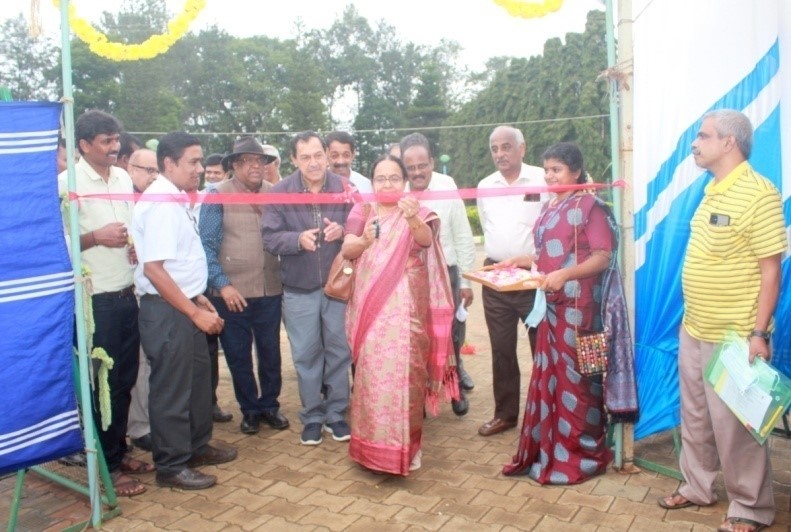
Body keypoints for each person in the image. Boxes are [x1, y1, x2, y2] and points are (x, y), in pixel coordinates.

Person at [658, 110, 786, 532]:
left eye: (703, 136)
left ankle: (750, 507)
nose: (695, 143)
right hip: (695, 327)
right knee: (694, 417)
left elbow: (772, 271)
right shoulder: (712, 189)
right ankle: (697, 486)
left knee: (736, 428)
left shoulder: (759, 193)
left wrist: (758, 334)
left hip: (734, 336)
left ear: (729, 142)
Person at [499, 142, 632, 484]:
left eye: (556, 169)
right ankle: (549, 451)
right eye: (546, 170)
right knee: (551, 380)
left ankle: (583, 455)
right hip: (551, 310)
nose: (549, 176)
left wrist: (565, 275)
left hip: (584, 314)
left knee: (582, 382)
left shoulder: (592, 206)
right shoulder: (550, 207)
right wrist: (523, 261)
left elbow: (603, 256)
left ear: (575, 171)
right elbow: (546, 255)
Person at [132, 131, 237, 490]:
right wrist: (193, 313)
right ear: (169, 163)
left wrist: (197, 297)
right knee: (172, 390)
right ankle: (172, 466)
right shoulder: (160, 202)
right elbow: (154, 269)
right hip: (168, 312)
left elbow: (177, 263)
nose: (200, 168)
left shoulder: (175, 198)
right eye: (192, 161)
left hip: (183, 304)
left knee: (194, 383)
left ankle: (195, 447)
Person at [58, 110, 151, 497]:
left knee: (124, 381)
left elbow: (129, 226)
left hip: (127, 294)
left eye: (116, 140)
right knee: (101, 386)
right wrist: (95, 236)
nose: (114, 148)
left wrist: (131, 245)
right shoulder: (67, 183)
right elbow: (57, 246)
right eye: (106, 142)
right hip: (94, 302)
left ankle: (119, 450)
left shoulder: (124, 177)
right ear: (83, 145)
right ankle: (106, 467)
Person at [343, 154, 455, 475]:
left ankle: (408, 449)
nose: (387, 183)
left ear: (405, 182)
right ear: (372, 182)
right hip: (372, 310)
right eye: (381, 178)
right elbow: (347, 249)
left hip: (408, 309)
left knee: (407, 376)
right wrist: (364, 240)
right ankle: (371, 450)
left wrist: (412, 219)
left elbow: (426, 241)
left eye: (394, 178)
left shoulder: (418, 210)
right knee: (371, 378)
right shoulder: (362, 209)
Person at [262, 131, 352, 446]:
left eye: (317, 155)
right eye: (305, 157)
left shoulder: (344, 189)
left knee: (340, 351)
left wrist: (343, 232)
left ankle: (337, 414)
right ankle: (313, 415)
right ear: (293, 160)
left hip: (338, 287)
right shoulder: (280, 192)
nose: (313, 163)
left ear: (327, 155)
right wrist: (296, 240)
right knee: (306, 354)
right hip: (298, 289)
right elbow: (269, 237)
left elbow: (362, 229)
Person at [200, 137, 289, 436]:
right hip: (231, 294)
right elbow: (206, 248)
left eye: (261, 160)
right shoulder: (216, 195)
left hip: (270, 288)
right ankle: (249, 409)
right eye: (248, 161)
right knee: (238, 356)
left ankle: (270, 406)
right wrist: (223, 286)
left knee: (271, 353)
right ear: (234, 165)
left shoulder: (276, 194)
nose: (256, 166)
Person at [476, 125, 546, 436]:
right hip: (495, 277)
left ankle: (546, 416)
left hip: (532, 278)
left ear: (522, 148)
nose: (500, 154)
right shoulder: (484, 185)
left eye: (506, 147)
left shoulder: (543, 179)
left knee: (542, 348)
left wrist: (534, 262)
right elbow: (487, 226)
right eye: (494, 148)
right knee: (501, 349)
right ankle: (505, 415)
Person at [400, 133, 476, 416]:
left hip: (448, 273)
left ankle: (454, 390)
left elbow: (462, 234)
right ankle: (421, 393)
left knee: (452, 334)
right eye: (411, 167)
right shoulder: (399, 191)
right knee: (419, 336)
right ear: (404, 168)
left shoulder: (447, 186)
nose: (418, 172)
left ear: (432, 162)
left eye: (423, 165)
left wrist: (466, 281)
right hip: (413, 278)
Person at [126, 148, 159, 452]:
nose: (151, 176)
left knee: (146, 365)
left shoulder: (158, 200)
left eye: (155, 171)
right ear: (129, 167)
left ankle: (145, 425)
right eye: (145, 170)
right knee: (133, 365)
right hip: (115, 293)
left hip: (144, 292)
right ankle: (135, 428)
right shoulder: (122, 197)